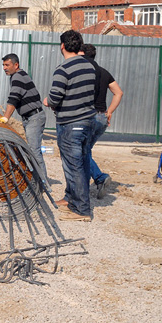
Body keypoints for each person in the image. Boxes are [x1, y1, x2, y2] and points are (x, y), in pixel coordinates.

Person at [43, 30, 96, 222]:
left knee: (73, 166)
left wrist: (48, 101)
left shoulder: (63, 69)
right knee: (81, 163)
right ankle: (72, 200)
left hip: (70, 123)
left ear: (62, 46)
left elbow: (55, 96)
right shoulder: (90, 67)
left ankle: (81, 210)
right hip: (87, 121)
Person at [79, 43, 124, 199]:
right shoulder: (104, 72)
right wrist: (109, 111)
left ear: (83, 54)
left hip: (89, 117)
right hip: (102, 117)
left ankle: (99, 178)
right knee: (85, 151)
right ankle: (88, 183)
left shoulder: (85, 72)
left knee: (81, 152)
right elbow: (118, 93)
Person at [0, 53, 49, 185]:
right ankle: (38, 179)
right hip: (30, 117)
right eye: (3, 65)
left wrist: (6, 117)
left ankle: (43, 183)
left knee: (34, 150)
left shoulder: (18, 77)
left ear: (16, 65)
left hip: (34, 117)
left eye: (7, 65)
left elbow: (14, 98)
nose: (4, 68)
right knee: (33, 149)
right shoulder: (17, 76)